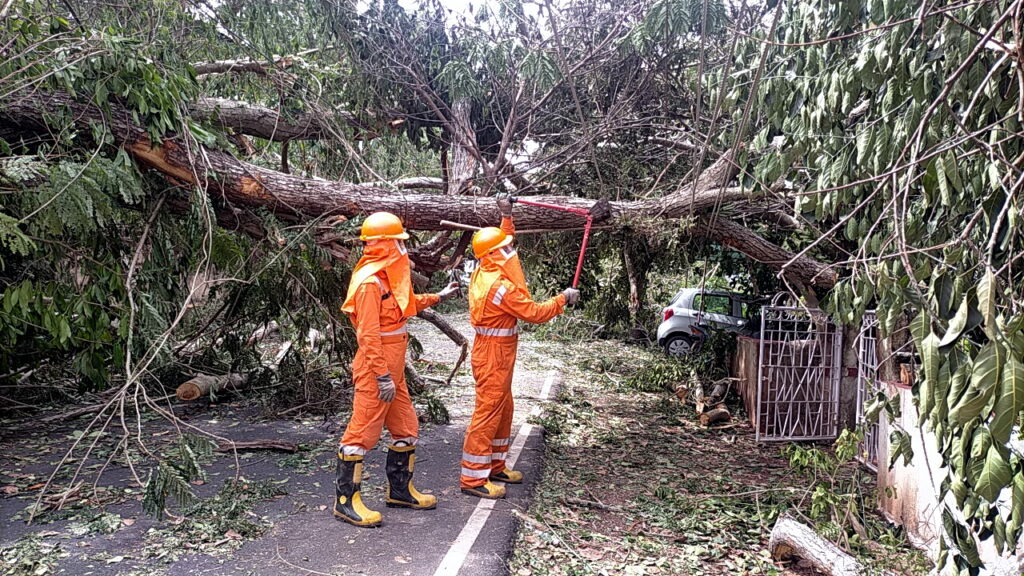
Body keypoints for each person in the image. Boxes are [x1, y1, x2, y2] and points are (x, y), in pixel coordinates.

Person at [334, 211, 461, 527]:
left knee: (406, 428)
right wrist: (381, 376)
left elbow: (405, 304)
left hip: (394, 374)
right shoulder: (368, 284)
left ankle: (400, 491)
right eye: (400, 244)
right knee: (361, 434)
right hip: (377, 372)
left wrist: (440, 296)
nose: (405, 250)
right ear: (385, 246)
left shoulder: (387, 278)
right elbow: (368, 335)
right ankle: (346, 502)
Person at [460, 197, 580, 499]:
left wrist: (507, 217)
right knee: (487, 413)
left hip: (495, 351)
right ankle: (473, 479)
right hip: (493, 354)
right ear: (494, 256)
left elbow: (502, 245)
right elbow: (535, 313)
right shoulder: (500, 288)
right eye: (505, 249)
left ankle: (496, 465)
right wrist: (563, 299)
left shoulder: (484, 270)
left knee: (503, 408)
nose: (511, 252)